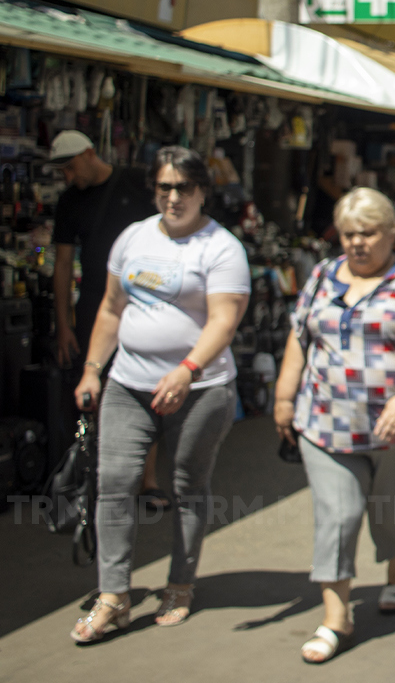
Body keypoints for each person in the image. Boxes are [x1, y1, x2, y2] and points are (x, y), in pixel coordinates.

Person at [70, 146, 250, 642]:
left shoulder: (222, 248)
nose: (173, 198)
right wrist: (92, 370)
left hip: (201, 390)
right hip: (128, 383)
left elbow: (224, 320)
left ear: (202, 192)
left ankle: (181, 582)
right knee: (116, 483)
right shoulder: (133, 237)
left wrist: (187, 370)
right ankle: (113, 596)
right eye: (164, 188)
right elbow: (110, 309)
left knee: (187, 486)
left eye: (183, 188)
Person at [274, 187, 395, 664]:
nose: (358, 242)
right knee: (337, 514)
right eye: (349, 233)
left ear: (392, 234)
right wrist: (283, 396)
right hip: (325, 424)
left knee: (392, 510)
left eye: (369, 233)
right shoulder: (321, 275)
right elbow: (300, 336)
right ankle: (336, 618)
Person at [50, 130, 171, 511]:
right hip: (95, 306)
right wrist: (64, 324)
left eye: (71, 167)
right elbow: (63, 264)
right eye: (62, 172)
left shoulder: (135, 181)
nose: (69, 177)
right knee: (100, 387)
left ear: (89, 154)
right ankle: (110, 478)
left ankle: (147, 481)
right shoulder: (70, 202)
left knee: (148, 387)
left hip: (145, 300)